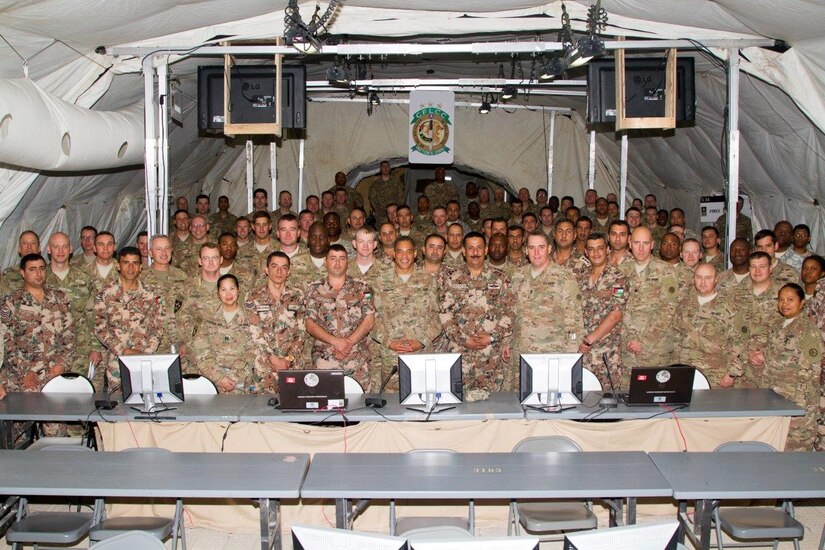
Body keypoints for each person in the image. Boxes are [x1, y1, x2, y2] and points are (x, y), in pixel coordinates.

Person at [439, 232, 515, 399]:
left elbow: (509, 312)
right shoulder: (452, 279)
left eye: (479, 247)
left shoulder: (501, 278)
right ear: (464, 251)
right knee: (457, 403)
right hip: (460, 352)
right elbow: (445, 313)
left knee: (492, 407)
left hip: (490, 355)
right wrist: (462, 338)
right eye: (471, 248)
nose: (475, 252)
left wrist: (493, 337)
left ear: (486, 250)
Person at [748, 284, 822, 451]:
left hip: (795, 405)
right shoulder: (779, 325)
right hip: (776, 400)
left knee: (795, 453)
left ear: (802, 303)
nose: (784, 304)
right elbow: (777, 355)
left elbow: (812, 372)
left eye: (790, 300)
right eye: (781, 300)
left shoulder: (806, 330)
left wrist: (798, 409)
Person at [371, 236, 441, 391]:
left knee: (422, 401)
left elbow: (436, 318)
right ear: (394, 254)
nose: (404, 256)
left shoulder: (428, 281)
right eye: (400, 252)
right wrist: (389, 342)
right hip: (391, 356)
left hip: (421, 354)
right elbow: (373, 318)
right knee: (391, 406)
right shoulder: (380, 282)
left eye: (408, 252)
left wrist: (421, 341)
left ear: (415, 254)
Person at [0, 254, 75, 398]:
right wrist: (24, 371)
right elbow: (6, 342)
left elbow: (69, 335)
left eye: (42, 268)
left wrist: (62, 364)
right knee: (26, 417)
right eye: (32, 270)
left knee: (57, 419)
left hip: (55, 373)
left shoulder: (60, 298)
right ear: (22, 273)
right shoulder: (11, 302)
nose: (39, 274)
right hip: (24, 378)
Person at [94, 246, 166, 392]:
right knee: (117, 408)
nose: (130, 267)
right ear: (118, 265)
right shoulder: (106, 294)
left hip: (145, 360)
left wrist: (146, 352)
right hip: (117, 361)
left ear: (140, 267)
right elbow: (100, 327)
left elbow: (158, 327)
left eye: (135, 263)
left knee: (146, 402)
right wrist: (123, 351)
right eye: (126, 262)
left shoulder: (152, 295)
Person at [305, 245, 376, 390]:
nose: (337, 263)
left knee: (359, 408)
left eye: (342, 258)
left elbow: (369, 320)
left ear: (347, 262)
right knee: (324, 408)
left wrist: (348, 343)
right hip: (325, 360)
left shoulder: (362, 287)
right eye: (333, 258)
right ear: (325, 262)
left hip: (356, 360)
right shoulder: (314, 288)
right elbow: (310, 324)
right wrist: (336, 342)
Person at [672, 263, 748, 388]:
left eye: (708, 278)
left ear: (716, 280)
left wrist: (732, 373)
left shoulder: (729, 307)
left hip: (717, 376)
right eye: (699, 277)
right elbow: (676, 338)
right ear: (693, 279)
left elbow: (741, 343)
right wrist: (675, 368)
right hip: (687, 373)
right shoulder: (685, 305)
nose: (703, 282)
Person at [619, 227, 679, 378]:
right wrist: (628, 338)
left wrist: (643, 341)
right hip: (626, 347)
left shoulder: (666, 271)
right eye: (637, 243)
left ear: (652, 245)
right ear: (629, 243)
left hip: (655, 349)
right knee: (627, 393)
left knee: (654, 394)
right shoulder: (620, 271)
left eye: (645, 243)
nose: (641, 248)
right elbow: (617, 306)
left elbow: (667, 310)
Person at [245, 252, 306, 391]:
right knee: (262, 409)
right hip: (264, 367)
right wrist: (274, 359)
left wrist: (288, 359)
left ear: (289, 272)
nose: (279, 271)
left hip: (292, 366)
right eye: (274, 266)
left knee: (294, 407)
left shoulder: (297, 296)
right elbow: (255, 332)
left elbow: (301, 332)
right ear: (267, 270)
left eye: (284, 267)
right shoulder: (253, 296)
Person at [574, 233, 627, 389]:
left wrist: (589, 339)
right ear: (586, 252)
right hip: (581, 352)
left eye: (600, 248)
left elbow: (616, 315)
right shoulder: (580, 277)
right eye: (591, 249)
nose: (596, 253)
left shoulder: (618, 278)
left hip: (606, 353)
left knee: (607, 402)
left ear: (608, 250)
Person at [190, 274, 257, 394]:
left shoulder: (250, 318)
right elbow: (201, 351)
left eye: (232, 289)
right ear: (218, 293)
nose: (228, 294)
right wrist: (219, 378)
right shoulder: (207, 318)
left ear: (238, 290)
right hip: (211, 382)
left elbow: (252, 351)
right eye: (223, 290)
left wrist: (233, 377)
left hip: (239, 383)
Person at [45, 232, 95, 376]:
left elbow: (92, 314)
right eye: (56, 247)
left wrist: (95, 347)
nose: (61, 251)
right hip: (48, 350)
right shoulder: (40, 279)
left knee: (79, 394)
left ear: (71, 249)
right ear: (49, 249)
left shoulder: (84, 278)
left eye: (64, 246)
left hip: (80, 348)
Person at [176, 243, 222, 366]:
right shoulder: (187, 287)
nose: (211, 262)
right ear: (200, 261)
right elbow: (181, 318)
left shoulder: (231, 286)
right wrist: (189, 342)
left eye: (215, 258)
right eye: (206, 258)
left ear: (221, 260)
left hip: (225, 351)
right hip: (195, 352)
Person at [141, 234, 187, 355]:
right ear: (150, 252)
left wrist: (187, 341)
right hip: (152, 344)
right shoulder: (141, 279)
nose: (164, 253)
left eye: (167, 248)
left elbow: (191, 309)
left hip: (179, 342)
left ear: (172, 250)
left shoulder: (182, 277)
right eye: (158, 249)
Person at [368, 160, 406, 225]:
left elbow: (402, 195)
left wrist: (397, 209)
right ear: (380, 169)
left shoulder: (396, 180)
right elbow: (372, 199)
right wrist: (380, 211)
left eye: (387, 166)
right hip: (382, 215)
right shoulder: (375, 183)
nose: (385, 168)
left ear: (390, 168)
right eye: (383, 166)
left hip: (395, 213)